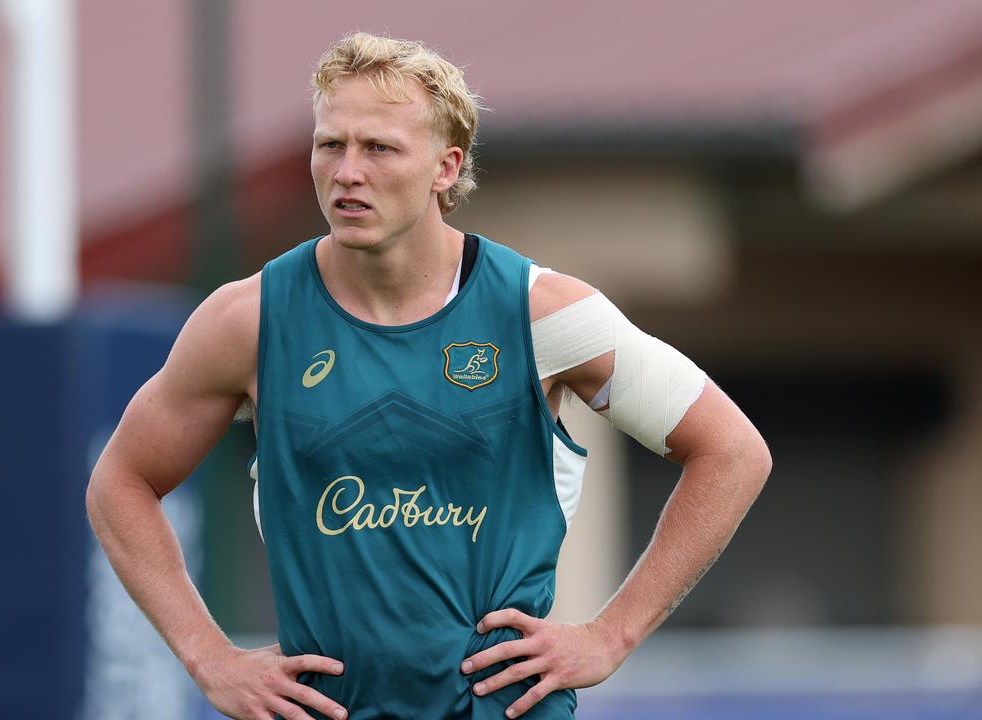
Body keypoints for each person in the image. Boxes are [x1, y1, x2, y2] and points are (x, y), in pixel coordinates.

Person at [86, 32, 771, 720]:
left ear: (446, 168)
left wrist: (610, 636)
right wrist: (209, 657)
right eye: (331, 145)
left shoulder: (544, 313)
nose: (348, 170)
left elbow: (732, 452)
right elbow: (121, 482)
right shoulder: (249, 321)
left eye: (379, 148)